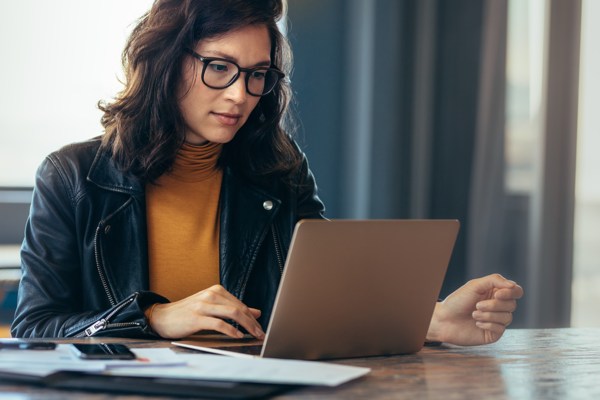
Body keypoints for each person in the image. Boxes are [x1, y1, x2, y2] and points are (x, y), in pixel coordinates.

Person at [11, 0, 523, 346]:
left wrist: (429, 320)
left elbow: (324, 301)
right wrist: (152, 319)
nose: (240, 94)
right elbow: (35, 328)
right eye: (219, 67)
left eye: (257, 74)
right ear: (165, 61)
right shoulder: (73, 176)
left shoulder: (278, 168)